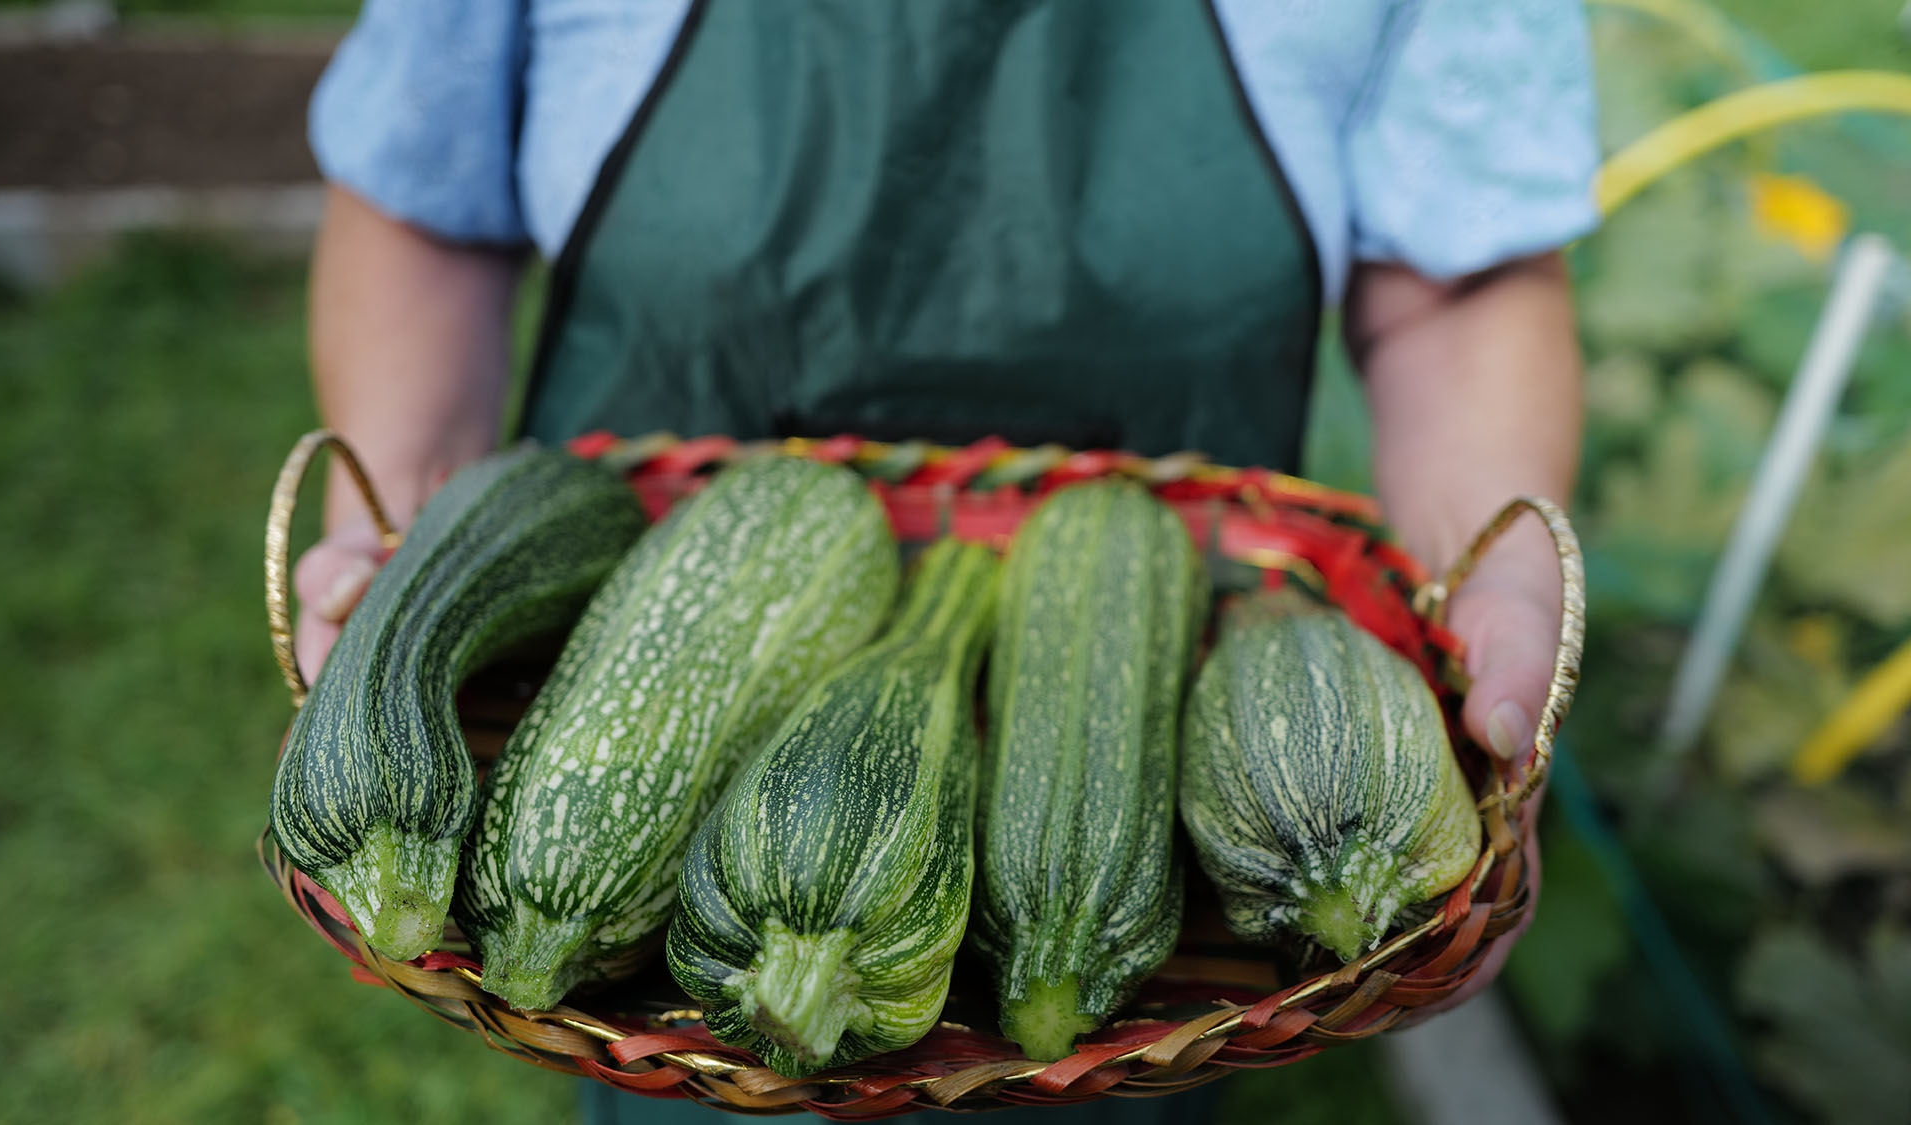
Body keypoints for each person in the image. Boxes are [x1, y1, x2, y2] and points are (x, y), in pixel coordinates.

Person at [292, 1, 1597, 1120]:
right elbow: (427, 197)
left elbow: (1458, 282)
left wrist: (1496, 574)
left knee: (1120, 1046)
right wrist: (409, 546)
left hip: (1167, 688)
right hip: (657, 623)